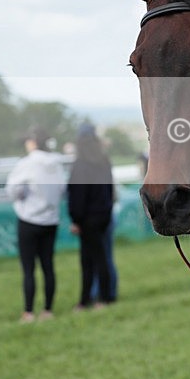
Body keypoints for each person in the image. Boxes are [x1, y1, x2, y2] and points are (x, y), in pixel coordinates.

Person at [6, 126, 66, 323]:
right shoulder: (57, 163)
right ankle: (48, 310)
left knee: (28, 269)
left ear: (32, 143)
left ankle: (29, 312)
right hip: (51, 221)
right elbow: (62, 189)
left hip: (29, 220)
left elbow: (13, 190)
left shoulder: (27, 164)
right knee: (48, 266)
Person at [67, 123, 115, 310]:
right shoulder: (104, 160)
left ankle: (92, 300)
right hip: (104, 216)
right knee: (102, 258)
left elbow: (77, 195)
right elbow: (109, 190)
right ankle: (102, 297)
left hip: (87, 220)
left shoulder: (80, 165)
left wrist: (76, 219)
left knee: (89, 262)